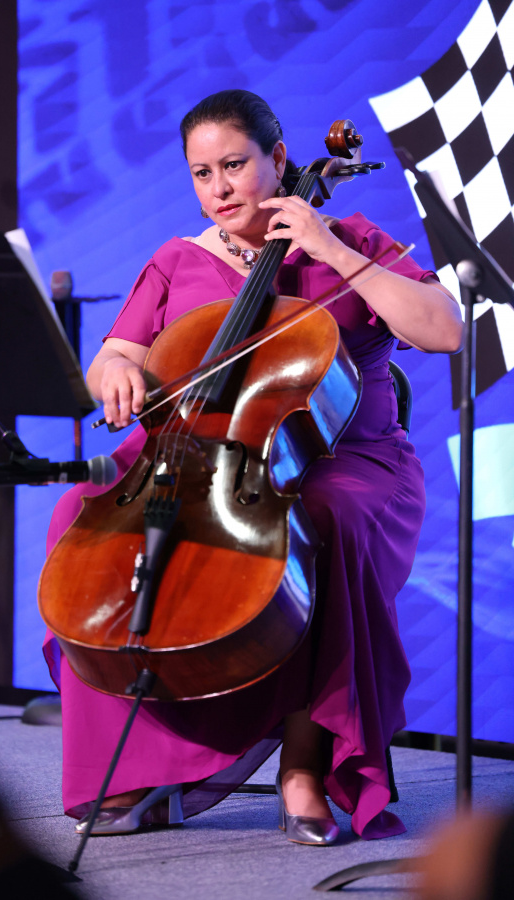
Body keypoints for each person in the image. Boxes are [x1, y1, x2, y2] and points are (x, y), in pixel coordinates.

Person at [44, 89, 463, 845]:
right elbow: (115, 356)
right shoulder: (177, 259)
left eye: (234, 165)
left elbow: (443, 330)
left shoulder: (351, 239)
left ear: (278, 158)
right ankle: (140, 768)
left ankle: (305, 767)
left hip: (348, 455)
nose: (220, 189)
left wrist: (331, 250)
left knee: (325, 517)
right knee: (81, 507)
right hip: (203, 454)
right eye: (202, 174)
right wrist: (116, 371)